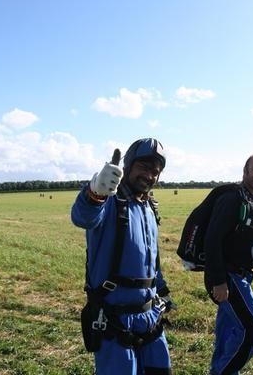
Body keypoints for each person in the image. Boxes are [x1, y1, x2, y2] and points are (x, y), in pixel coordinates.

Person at [71, 138, 173, 375]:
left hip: (150, 317)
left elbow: (151, 259)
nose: (150, 176)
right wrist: (95, 192)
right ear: (128, 166)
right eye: (144, 168)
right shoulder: (109, 202)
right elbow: (83, 217)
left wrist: (162, 290)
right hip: (114, 319)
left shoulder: (149, 207)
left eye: (155, 171)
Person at [204, 152, 253, 375]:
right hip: (227, 276)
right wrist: (218, 281)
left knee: (230, 331)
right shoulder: (233, 198)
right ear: (245, 172)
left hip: (241, 275)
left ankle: (218, 370)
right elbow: (212, 239)